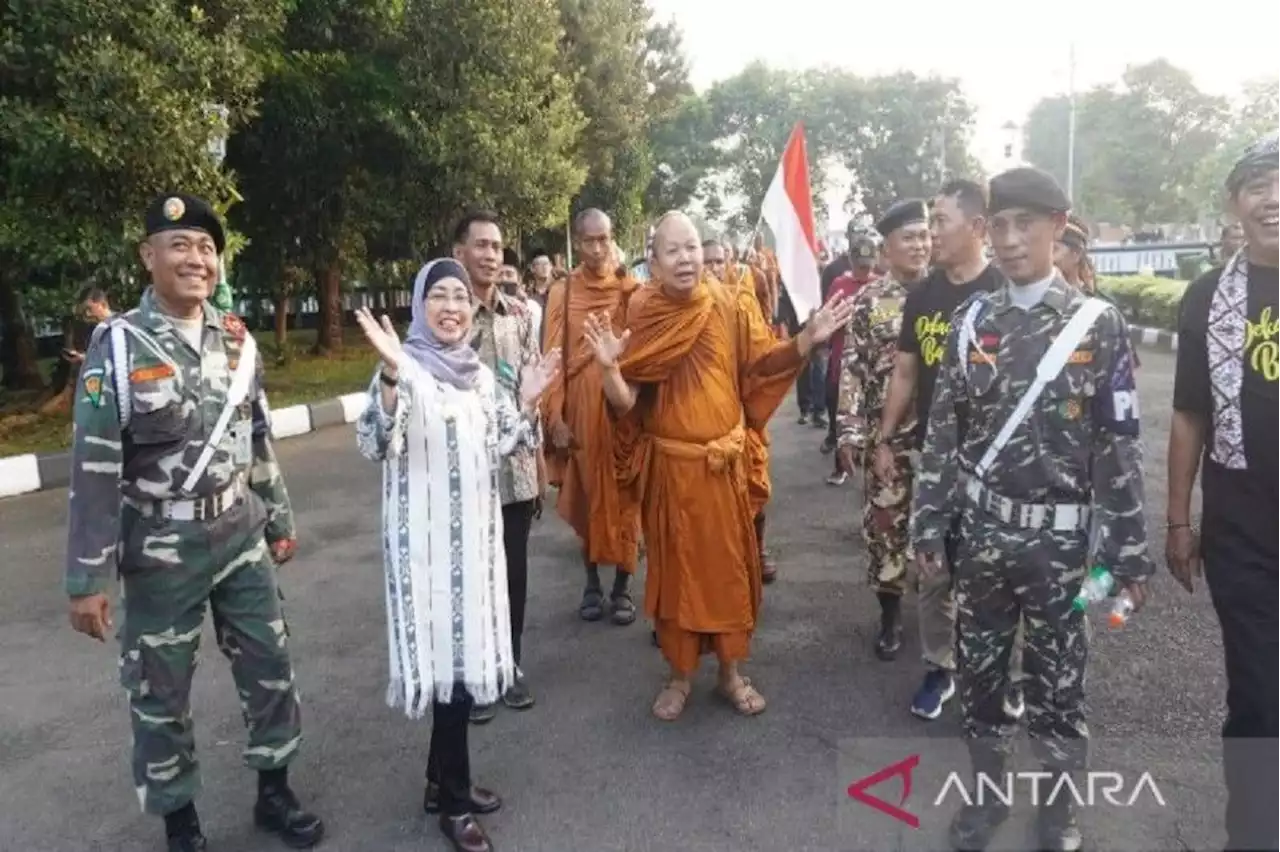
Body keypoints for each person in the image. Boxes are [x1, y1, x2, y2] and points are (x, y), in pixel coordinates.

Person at [65, 195, 322, 852]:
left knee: (269, 663)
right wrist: (86, 576)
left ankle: (275, 791)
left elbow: (257, 437)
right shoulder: (117, 346)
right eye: (178, 244)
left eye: (206, 248)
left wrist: (278, 518)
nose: (195, 259)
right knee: (160, 690)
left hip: (239, 528)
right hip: (159, 545)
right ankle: (181, 822)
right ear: (148, 257)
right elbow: (94, 466)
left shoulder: (236, 339)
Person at [911, 168, 1152, 851]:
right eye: (1001, 226)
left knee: (1058, 687)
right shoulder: (971, 322)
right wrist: (928, 521)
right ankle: (986, 803)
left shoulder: (1096, 325)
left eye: (1028, 225)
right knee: (982, 679)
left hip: (1061, 548)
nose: (1012, 241)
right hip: (983, 536)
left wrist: (1128, 554)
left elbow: (1119, 445)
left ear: (1059, 226)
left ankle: (1058, 811)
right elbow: (943, 433)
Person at [582, 211, 853, 721]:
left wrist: (805, 339)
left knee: (730, 573)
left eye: (691, 248)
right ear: (654, 261)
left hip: (723, 468)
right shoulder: (643, 311)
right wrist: (609, 368)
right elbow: (625, 404)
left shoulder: (729, 302)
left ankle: (731, 673)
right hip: (672, 471)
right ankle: (679, 676)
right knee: (676, 576)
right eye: (672, 251)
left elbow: (761, 365)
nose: (685, 259)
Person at [353, 260, 561, 852]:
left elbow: (501, 441)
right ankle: (454, 803)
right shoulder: (405, 367)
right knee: (449, 676)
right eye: (438, 295)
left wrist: (525, 403)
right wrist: (391, 378)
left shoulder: (476, 375)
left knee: (461, 664)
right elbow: (375, 442)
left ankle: (435, 781)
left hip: (474, 545)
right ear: (420, 306)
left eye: (461, 297)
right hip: (424, 550)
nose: (451, 306)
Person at [1168, 131, 1280, 852]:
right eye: (1259, 186)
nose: (1274, 200)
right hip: (1245, 530)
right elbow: (1189, 413)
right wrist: (1178, 520)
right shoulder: (1211, 297)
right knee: (1261, 697)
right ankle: (1255, 834)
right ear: (1235, 204)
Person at [874, 180, 1018, 722]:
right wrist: (885, 436)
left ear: (977, 227)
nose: (931, 233)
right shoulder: (924, 296)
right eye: (929, 223)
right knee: (933, 567)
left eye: (940, 222)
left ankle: (1004, 672)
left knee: (1001, 573)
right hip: (938, 457)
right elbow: (907, 370)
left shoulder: (1007, 292)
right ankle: (941, 667)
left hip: (1000, 461)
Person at [452, 211, 543, 720]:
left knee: (513, 573)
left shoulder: (520, 314)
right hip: (464, 476)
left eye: (498, 247)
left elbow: (532, 391)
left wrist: (541, 463)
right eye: (481, 245)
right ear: (458, 250)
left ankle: (510, 664)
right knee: (470, 576)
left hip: (516, 471)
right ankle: (472, 677)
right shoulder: (444, 311)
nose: (491, 255)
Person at [835, 199, 931, 663]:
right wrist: (849, 433)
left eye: (923, 236)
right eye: (908, 238)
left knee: (943, 530)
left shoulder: (949, 294)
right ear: (887, 247)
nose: (919, 245)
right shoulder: (869, 302)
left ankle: (943, 615)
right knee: (886, 526)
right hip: (886, 438)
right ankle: (890, 616)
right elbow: (852, 368)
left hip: (939, 440)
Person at [540, 209, 642, 624]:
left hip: (623, 413)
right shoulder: (562, 294)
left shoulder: (630, 290)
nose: (598, 249)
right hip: (581, 415)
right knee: (586, 497)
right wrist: (555, 417)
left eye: (605, 239)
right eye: (589, 241)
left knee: (626, 501)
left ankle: (621, 588)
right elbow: (553, 358)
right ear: (576, 244)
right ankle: (591, 584)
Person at [705, 238, 781, 584]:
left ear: (730, 262)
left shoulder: (742, 303)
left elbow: (763, 355)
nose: (713, 269)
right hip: (700, 422)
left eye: (718, 261)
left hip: (741, 413)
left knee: (753, 485)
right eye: (706, 262)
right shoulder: (677, 310)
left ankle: (759, 549)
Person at [823, 235, 879, 482]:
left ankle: (869, 464)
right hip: (842, 366)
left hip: (872, 368)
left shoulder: (882, 286)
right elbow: (827, 319)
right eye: (861, 265)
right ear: (852, 260)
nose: (865, 270)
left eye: (869, 264)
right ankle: (840, 466)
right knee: (840, 415)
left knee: (871, 419)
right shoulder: (839, 285)